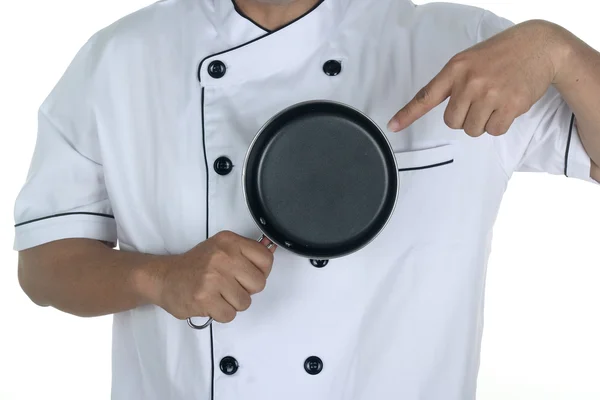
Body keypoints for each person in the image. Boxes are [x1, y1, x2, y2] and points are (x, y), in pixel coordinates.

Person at [13, 0, 599, 399]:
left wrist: (559, 51)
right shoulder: (119, 61)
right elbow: (44, 267)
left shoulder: (466, 46)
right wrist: (156, 279)